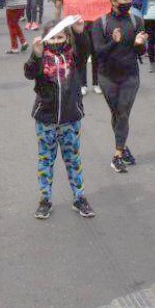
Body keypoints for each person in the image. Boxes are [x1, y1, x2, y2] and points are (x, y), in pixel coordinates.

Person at [24, 18, 96, 219]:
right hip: (46, 119)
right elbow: (29, 73)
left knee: (73, 160)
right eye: (53, 37)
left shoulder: (73, 57)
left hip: (70, 119)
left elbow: (85, 51)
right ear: (47, 39)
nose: (56, 41)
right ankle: (45, 199)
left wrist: (80, 33)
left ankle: (79, 198)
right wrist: (35, 54)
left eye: (61, 36)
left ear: (67, 37)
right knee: (45, 161)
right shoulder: (41, 57)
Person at [91, 0, 149, 173]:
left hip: (130, 76)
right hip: (107, 76)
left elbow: (141, 51)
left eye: (129, 0)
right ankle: (123, 147)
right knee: (117, 113)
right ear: (113, 2)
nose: (128, 3)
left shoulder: (136, 21)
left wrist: (140, 44)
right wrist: (112, 42)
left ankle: (117, 155)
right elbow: (99, 52)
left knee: (123, 112)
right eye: (124, 0)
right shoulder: (101, 23)